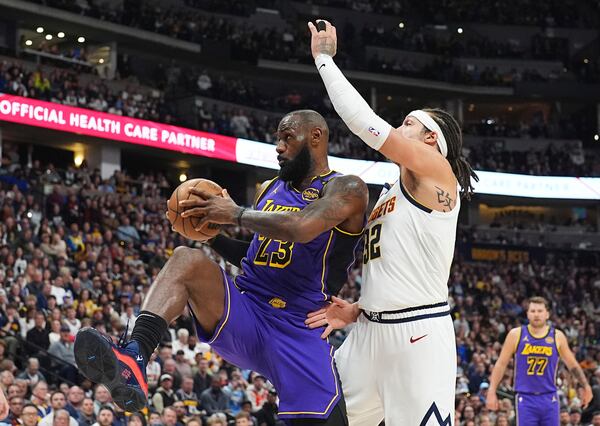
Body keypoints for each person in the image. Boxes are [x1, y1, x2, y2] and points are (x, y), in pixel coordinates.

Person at [74, 109, 368, 424]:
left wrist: (235, 214)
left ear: (315, 137)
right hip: (248, 310)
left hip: (299, 324)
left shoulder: (347, 189)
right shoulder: (269, 188)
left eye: (287, 138)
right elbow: (257, 255)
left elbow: (301, 227)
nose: (279, 147)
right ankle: (133, 357)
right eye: (277, 139)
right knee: (187, 258)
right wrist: (213, 238)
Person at [304, 19, 479, 425]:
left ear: (431, 139)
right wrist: (360, 310)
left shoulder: (438, 172)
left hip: (417, 337)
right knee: (319, 416)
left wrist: (324, 60)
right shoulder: (391, 191)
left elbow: (365, 124)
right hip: (368, 334)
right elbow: (396, 266)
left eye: (408, 125)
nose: (399, 131)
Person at [485, 297, 593, 425]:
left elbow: (572, 365)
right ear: (527, 314)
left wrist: (586, 386)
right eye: (533, 311)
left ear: (547, 314)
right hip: (526, 398)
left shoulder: (557, 336)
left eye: (540, 311)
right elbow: (501, 364)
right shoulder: (516, 334)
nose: (536, 314)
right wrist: (491, 391)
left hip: (549, 397)